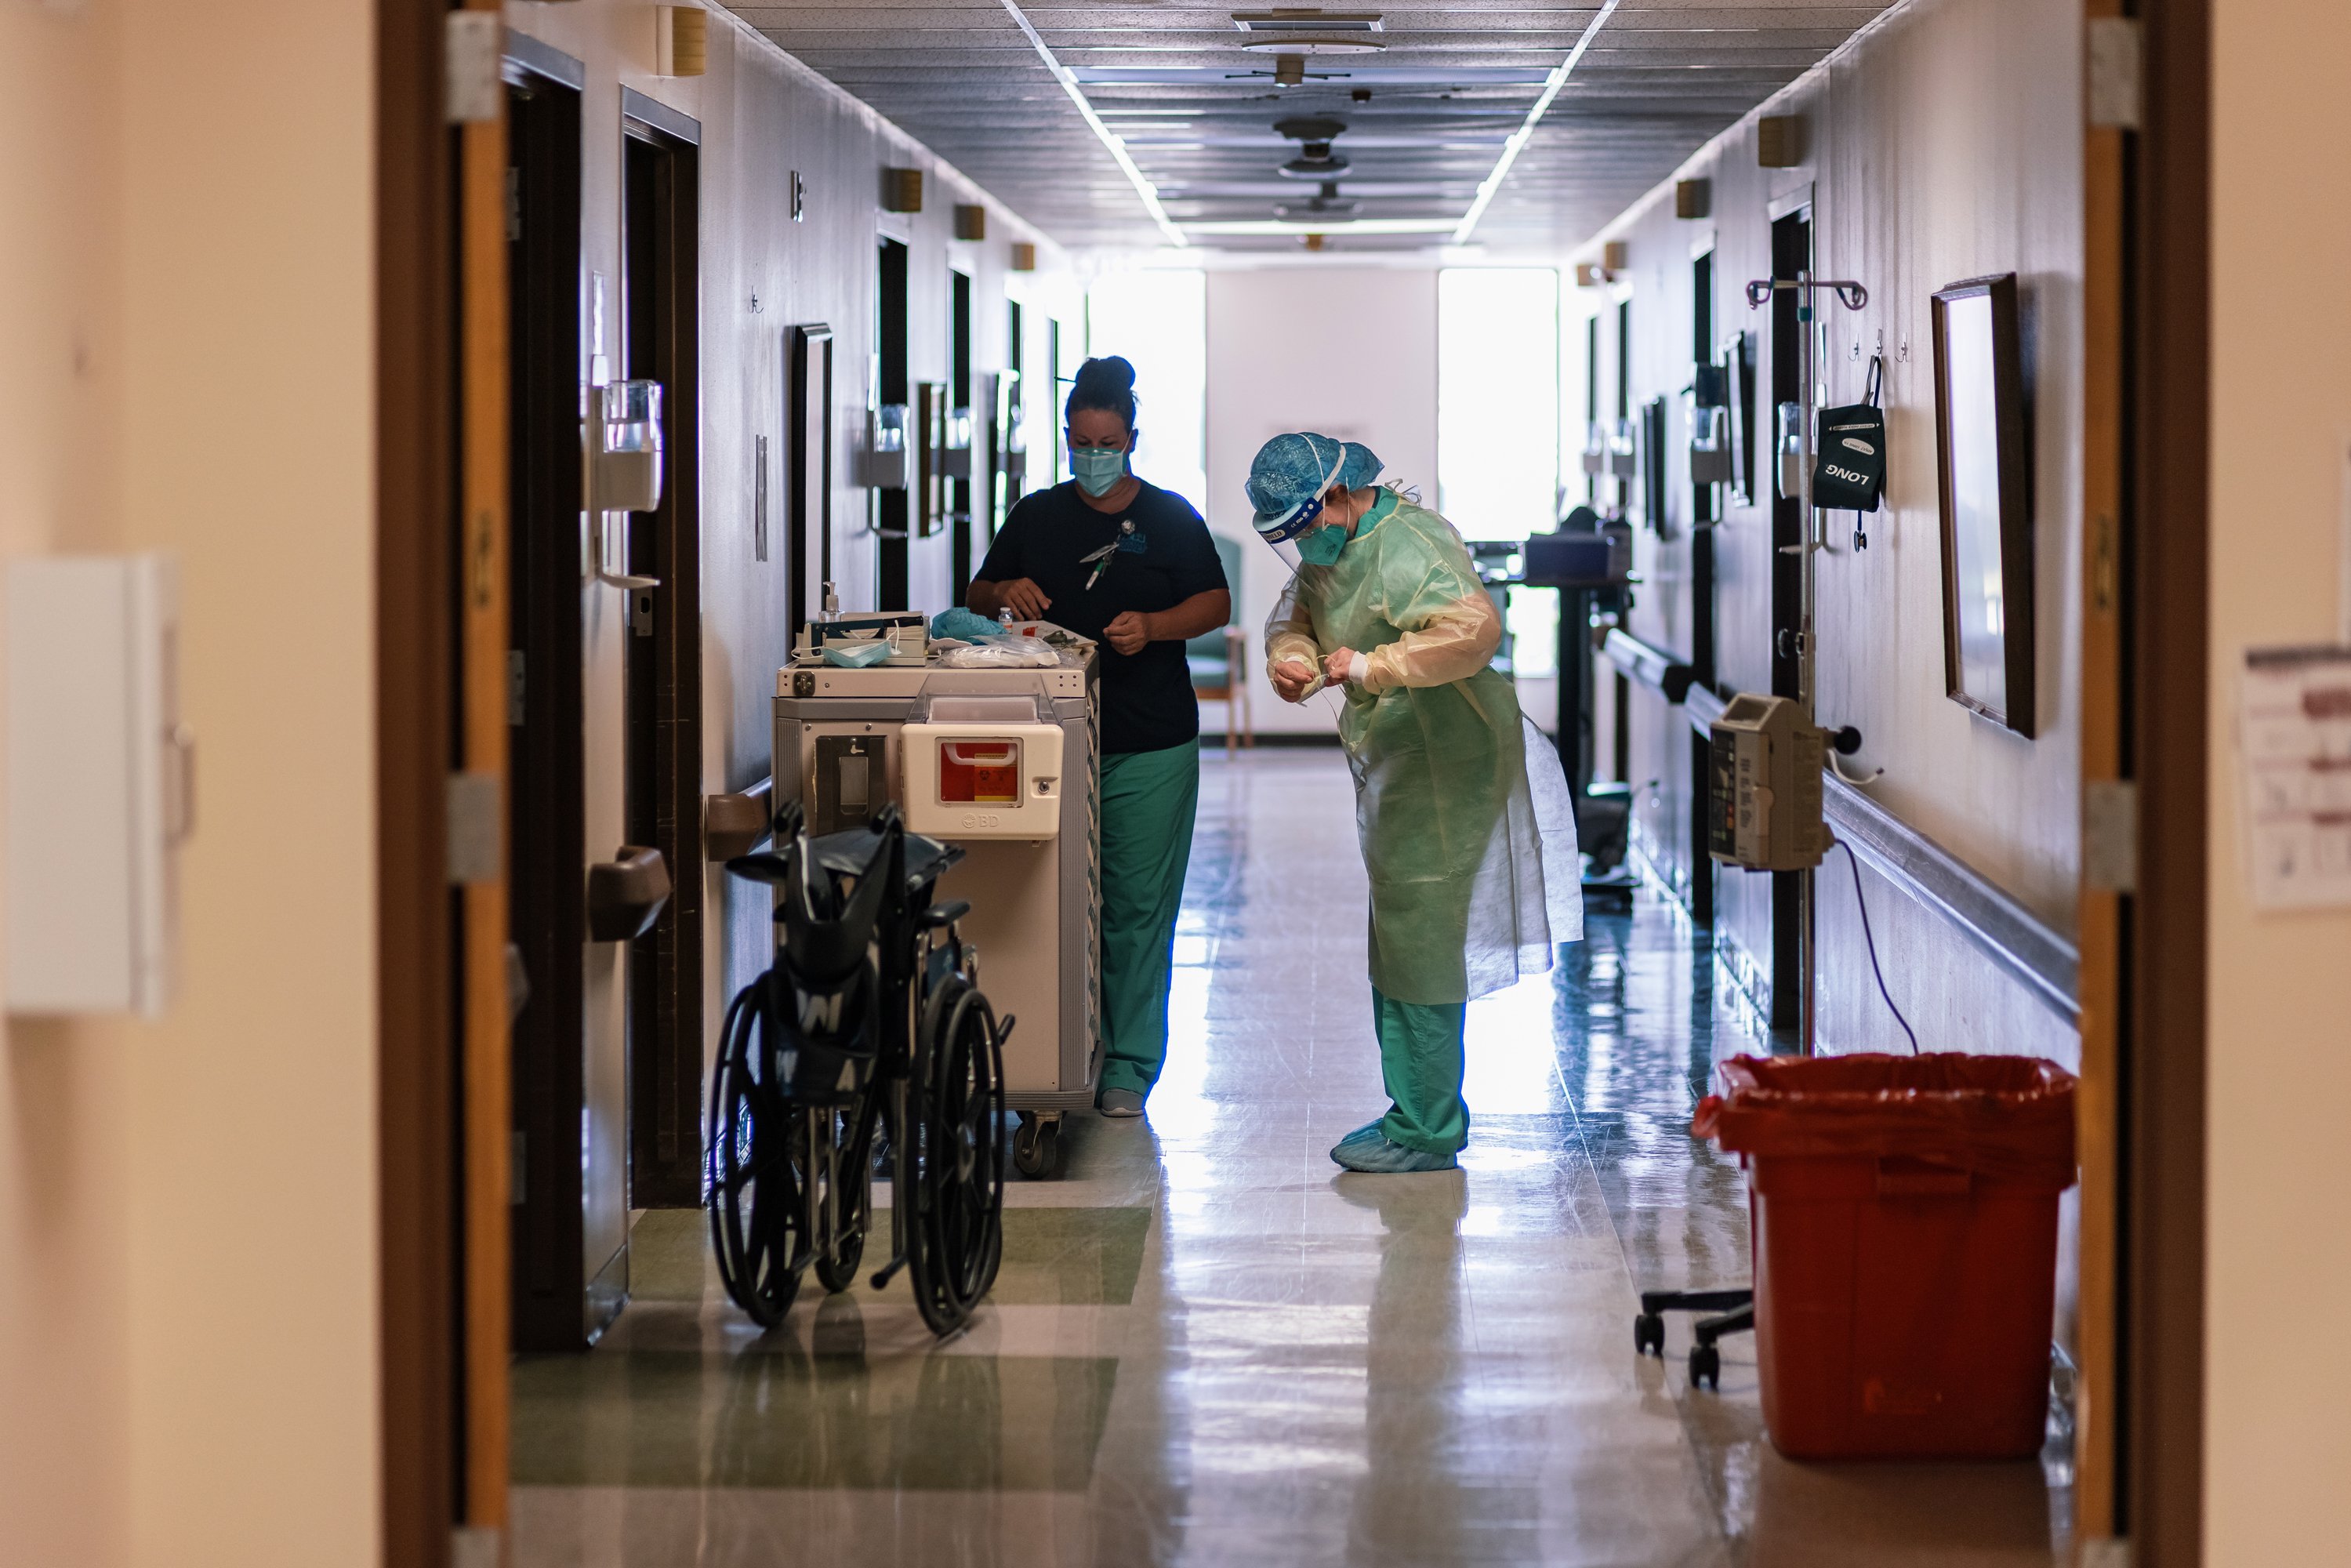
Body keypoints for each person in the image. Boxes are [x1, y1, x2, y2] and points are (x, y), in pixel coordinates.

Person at [1250, 430, 1582, 1173]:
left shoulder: (1411, 541)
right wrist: (1293, 657)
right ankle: (1411, 1109)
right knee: (1400, 931)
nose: (1305, 544)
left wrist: (1372, 662)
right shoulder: (1332, 545)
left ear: (1336, 496)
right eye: (1291, 536)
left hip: (1447, 753)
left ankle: (1429, 1126)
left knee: (1424, 938)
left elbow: (1472, 631)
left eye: (1307, 525)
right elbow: (1296, 612)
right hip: (1399, 752)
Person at [968, 357, 1230, 1119]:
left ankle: (1127, 1062)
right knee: (1045, 897)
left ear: (1131, 437)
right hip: (1046, 738)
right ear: (1065, 437)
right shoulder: (1036, 515)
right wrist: (1000, 593)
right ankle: (1051, 1047)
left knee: (1135, 906)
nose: (1093, 454)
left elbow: (1213, 601)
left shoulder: (1169, 516)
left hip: (1148, 741)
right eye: (1080, 441)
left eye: (1107, 440)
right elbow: (977, 591)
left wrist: (1152, 626)